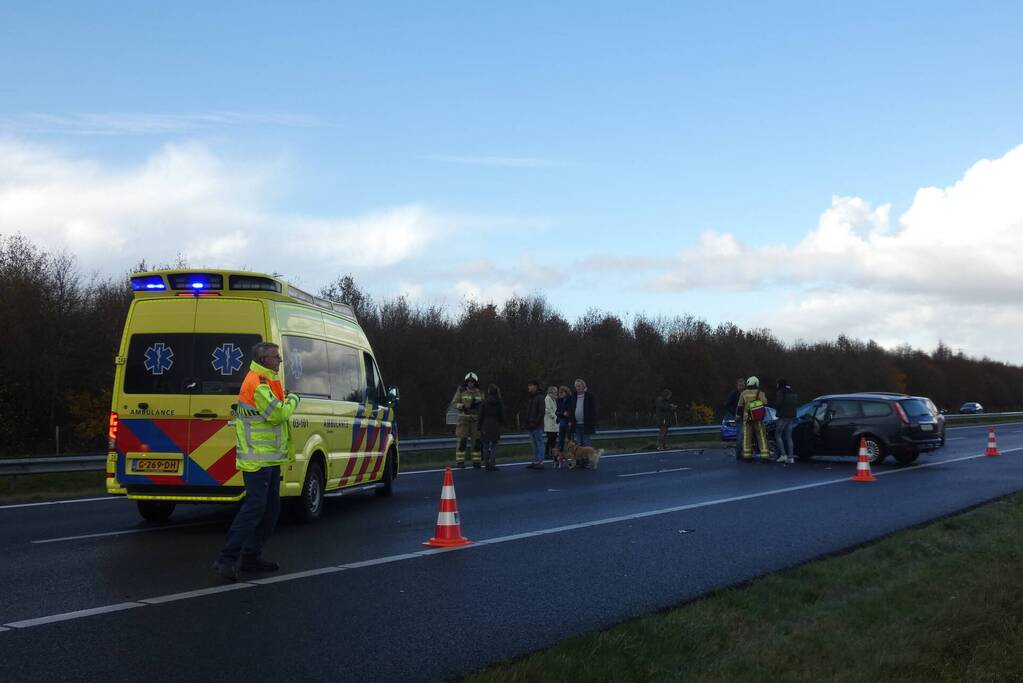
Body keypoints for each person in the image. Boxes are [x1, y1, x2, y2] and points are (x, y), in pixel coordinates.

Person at [213, 341, 301, 582]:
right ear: (263, 360)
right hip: (256, 459)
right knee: (254, 509)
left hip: (268, 458)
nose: (280, 360)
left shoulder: (268, 379)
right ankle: (226, 560)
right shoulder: (258, 383)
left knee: (271, 509)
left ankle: (251, 557)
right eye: (275, 357)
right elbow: (278, 414)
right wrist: (294, 399)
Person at [450, 372, 484, 468]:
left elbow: (483, 405)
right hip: (463, 420)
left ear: (475, 382)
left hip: (475, 420)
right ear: (466, 382)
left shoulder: (480, 392)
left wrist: (478, 408)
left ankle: (476, 462)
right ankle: (460, 462)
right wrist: (462, 406)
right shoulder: (461, 391)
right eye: (469, 382)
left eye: (472, 382)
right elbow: (454, 403)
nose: (470, 383)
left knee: (476, 442)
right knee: (462, 441)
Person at [736, 376, 770, 462]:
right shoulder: (760, 392)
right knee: (761, 436)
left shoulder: (743, 393)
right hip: (757, 418)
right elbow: (765, 402)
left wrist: (738, 416)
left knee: (747, 437)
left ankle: (747, 457)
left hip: (747, 418)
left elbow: (739, 406)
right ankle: (765, 456)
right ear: (756, 383)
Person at [477, 384, 504, 471]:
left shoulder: (484, 402)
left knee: (485, 444)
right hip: (495, 424)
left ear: (489, 392)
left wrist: (479, 426)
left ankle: (486, 464)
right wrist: (502, 423)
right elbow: (501, 414)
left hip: (485, 424)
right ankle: (492, 463)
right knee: (494, 445)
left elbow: (481, 415)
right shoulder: (499, 402)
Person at [774, 378, 799, 464]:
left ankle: (783, 455)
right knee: (789, 437)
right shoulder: (793, 392)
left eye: (777, 384)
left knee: (778, 435)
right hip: (791, 417)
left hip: (783, 416)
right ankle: (791, 457)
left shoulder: (781, 392)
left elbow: (778, 404)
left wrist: (775, 405)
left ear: (780, 384)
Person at [568, 378, 597, 447]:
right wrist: (570, 421)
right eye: (576, 386)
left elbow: (593, 410)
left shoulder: (590, 396)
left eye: (579, 386)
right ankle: (580, 458)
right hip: (576, 424)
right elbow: (571, 410)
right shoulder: (573, 396)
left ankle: (587, 457)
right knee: (578, 443)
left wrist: (592, 421)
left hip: (586, 423)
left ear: (583, 386)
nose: (577, 388)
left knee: (586, 442)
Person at [525, 380, 546, 469]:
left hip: (537, 425)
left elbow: (541, 412)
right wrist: (527, 422)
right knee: (534, 444)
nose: (528, 387)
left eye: (530, 385)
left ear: (535, 386)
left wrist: (535, 423)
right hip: (530, 424)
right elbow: (529, 412)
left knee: (539, 443)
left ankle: (540, 462)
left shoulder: (540, 397)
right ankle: (535, 460)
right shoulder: (531, 398)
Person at [723, 378, 745, 459]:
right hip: (739, 417)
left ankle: (746, 453)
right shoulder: (734, 394)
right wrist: (734, 413)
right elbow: (727, 404)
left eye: (742, 385)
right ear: (737, 386)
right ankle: (739, 455)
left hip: (748, 417)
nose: (741, 387)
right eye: (740, 385)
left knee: (746, 436)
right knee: (740, 436)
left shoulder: (746, 393)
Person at [544, 385, 559, 460]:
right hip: (550, 423)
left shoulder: (553, 399)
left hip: (554, 424)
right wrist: (556, 417)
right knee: (550, 439)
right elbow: (548, 410)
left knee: (553, 440)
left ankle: (552, 453)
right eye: (555, 392)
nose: (556, 393)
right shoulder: (547, 398)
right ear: (551, 392)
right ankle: (547, 453)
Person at [556, 385, 573, 450]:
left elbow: (572, 409)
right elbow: (557, 412)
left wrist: (570, 418)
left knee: (569, 437)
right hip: (562, 419)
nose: (560, 394)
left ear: (566, 392)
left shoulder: (571, 399)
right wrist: (563, 413)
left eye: (562, 392)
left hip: (569, 420)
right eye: (560, 392)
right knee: (561, 438)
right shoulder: (559, 400)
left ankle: (570, 451)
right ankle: (561, 451)